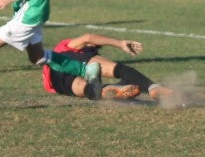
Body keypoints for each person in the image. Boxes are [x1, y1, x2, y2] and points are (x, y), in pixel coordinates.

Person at [40, 33, 177, 104]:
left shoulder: (58, 51)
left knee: (83, 88)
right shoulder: (67, 48)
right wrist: (120, 43)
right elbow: (88, 38)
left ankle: (105, 90)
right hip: (67, 58)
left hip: (54, 79)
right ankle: (152, 87)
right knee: (118, 69)